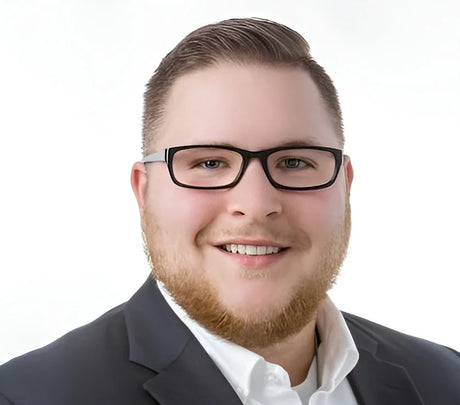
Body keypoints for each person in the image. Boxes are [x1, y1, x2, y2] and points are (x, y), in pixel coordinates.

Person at [0, 17, 458, 405]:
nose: (256, 206)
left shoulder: (446, 380)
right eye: (209, 163)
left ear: (345, 186)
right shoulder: (27, 395)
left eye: (295, 162)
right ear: (144, 192)